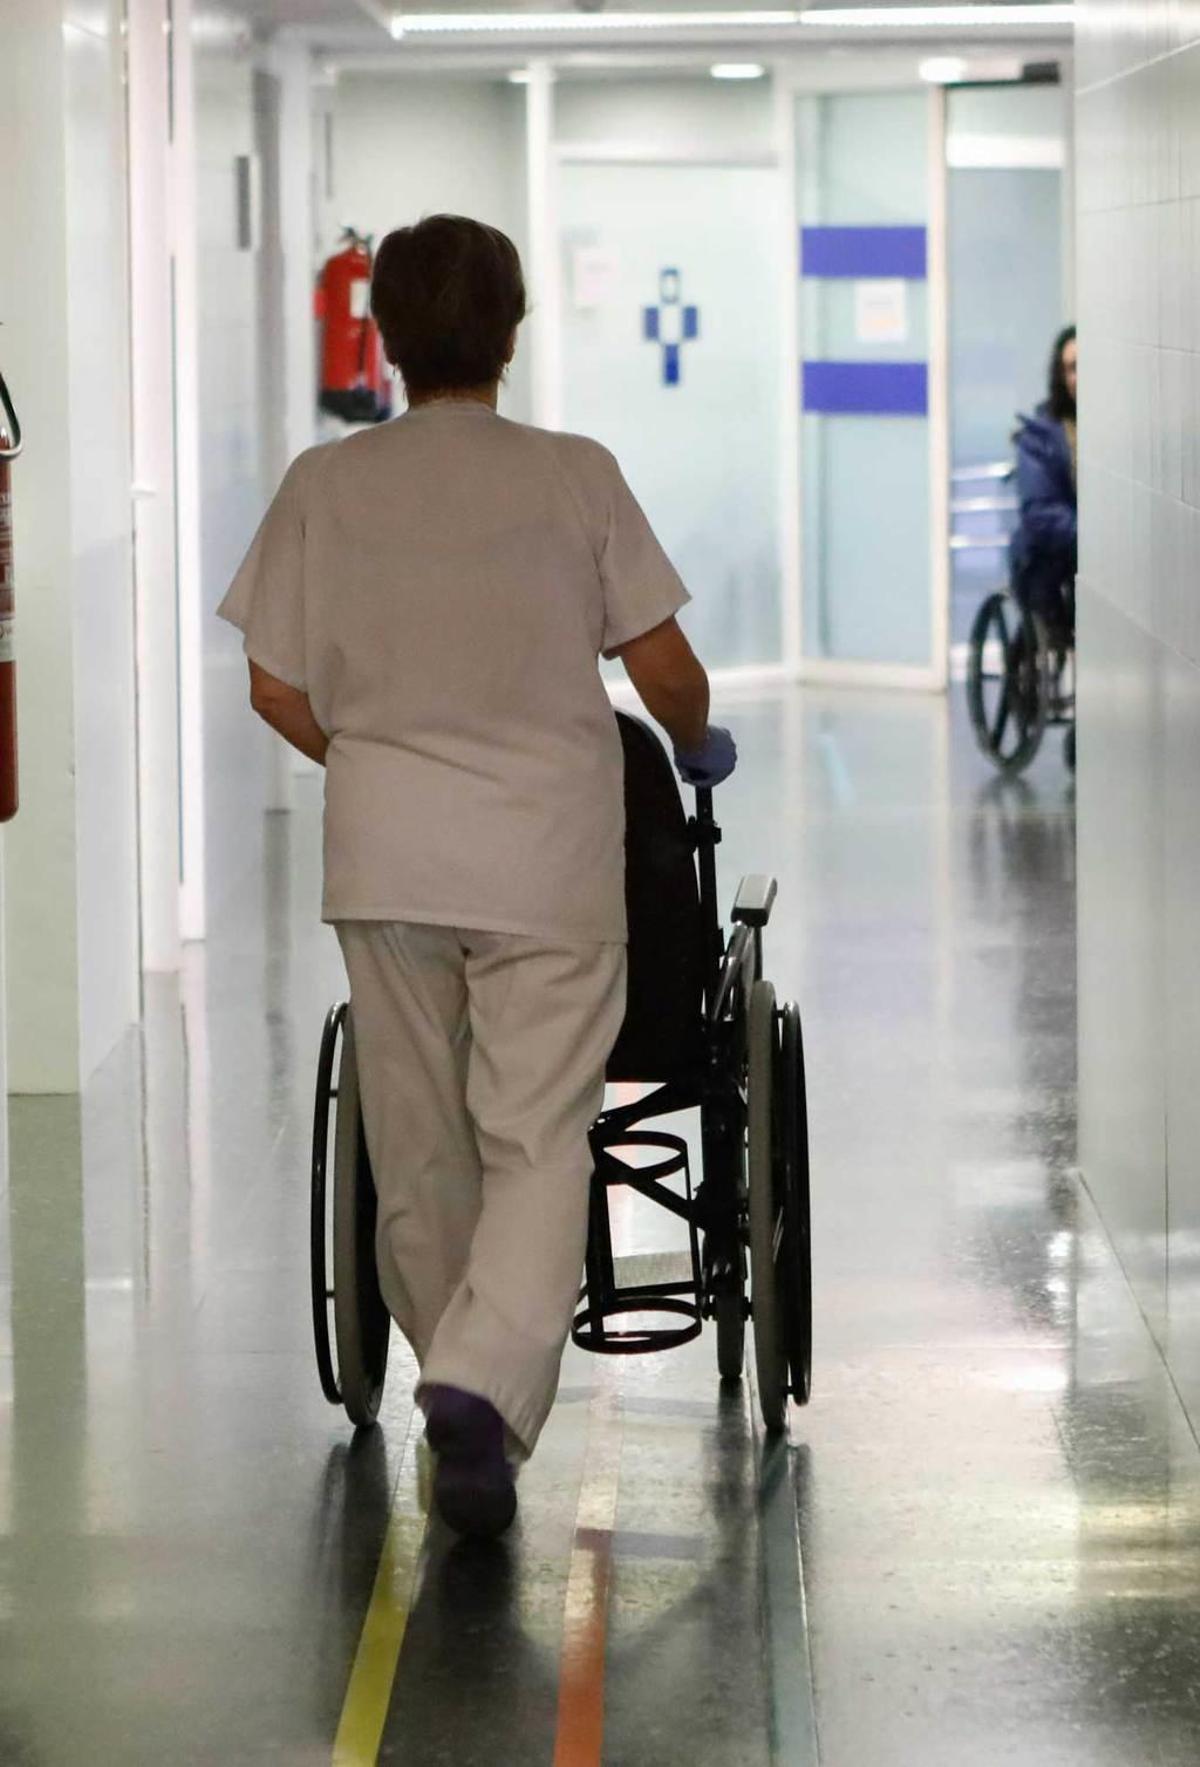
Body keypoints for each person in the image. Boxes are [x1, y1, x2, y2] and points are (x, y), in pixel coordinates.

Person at [217, 215, 736, 1539]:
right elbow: (662, 667)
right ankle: (474, 1384)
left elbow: (273, 681)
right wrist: (691, 737)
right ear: (510, 333)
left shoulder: (324, 485)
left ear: (382, 336)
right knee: (534, 1132)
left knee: (419, 1135)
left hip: (385, 855)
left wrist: (381, 755)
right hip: (547, 858)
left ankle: (459, 1387)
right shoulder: (575, 473)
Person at [1009, 324, 1077, 647]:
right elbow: (1041, 512)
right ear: (1060, 376)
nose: (1079, 377)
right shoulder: (1041, 436)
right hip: (1051, 553)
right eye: (1072, 368)